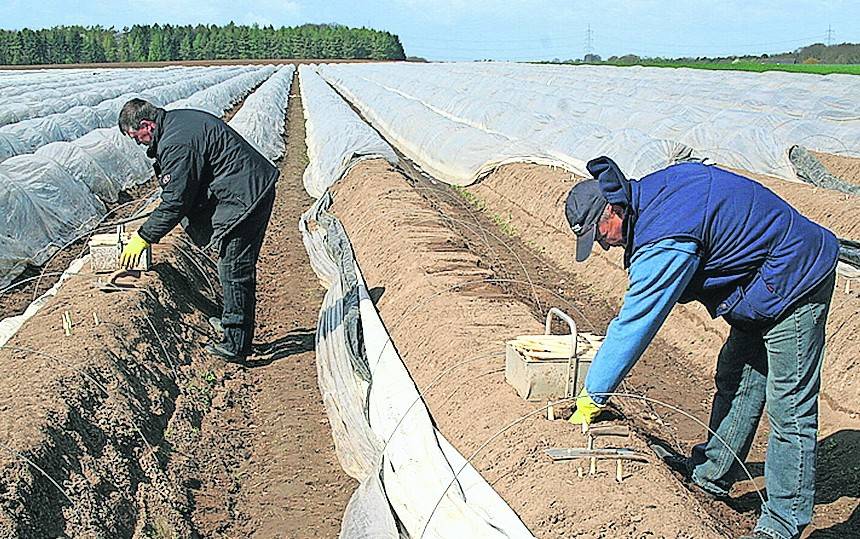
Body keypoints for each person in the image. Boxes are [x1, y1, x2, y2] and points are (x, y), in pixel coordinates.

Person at [565, 156, 838, 539]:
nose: (604, 247)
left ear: (612, 210)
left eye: (599, 235)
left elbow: (636, 323)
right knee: (737, 379)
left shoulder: (666, 236)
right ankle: (712, 474)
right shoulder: (652, 195)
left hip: (795, 278)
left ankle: (782, 522)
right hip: (759, 281)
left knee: (789, 406)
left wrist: (595, 393)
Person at [117, 98, 279, 363]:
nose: (140, 143)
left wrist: (143, 237)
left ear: (147, 125)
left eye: (137, 137)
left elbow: (177, 201)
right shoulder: (177, 122)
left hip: (245, 198)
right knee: (233, 266)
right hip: (246, 188)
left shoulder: (176, 143)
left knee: (234, 270)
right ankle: (233, 326)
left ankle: (236, 344)